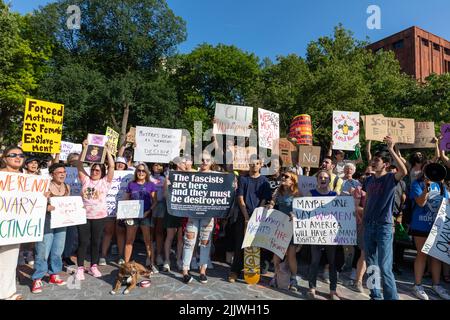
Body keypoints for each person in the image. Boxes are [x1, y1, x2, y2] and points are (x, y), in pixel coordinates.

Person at [363, 136, 407, 300]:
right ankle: (375, 295)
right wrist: (363, 222)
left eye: (376, 160)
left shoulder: (390, 178)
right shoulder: (368, 180)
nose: (373, 163)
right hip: (368, 225)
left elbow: (403, 171)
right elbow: (368, 201)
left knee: (385, 266)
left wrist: (391, 148)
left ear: (386, 164)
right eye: (373, 160)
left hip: (384, 227)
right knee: (371, 264)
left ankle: (391, 297)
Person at [409, 163, 450, 300]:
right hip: (420, 224)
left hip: (436, 226)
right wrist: (426, 188)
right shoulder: (417, 184)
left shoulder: (441, 186)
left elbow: (446, 204)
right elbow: (420, 203)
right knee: (422, 254)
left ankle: (436, 285)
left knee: (436, 256)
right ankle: (417, 285)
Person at [228, 156, 272, 283]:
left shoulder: (264, 181)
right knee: (240, 244)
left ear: (260, 165)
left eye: (256, 164)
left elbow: (264, 199)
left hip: (257, 217)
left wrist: (256, 215)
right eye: (252, 164)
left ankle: (252, 272)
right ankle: (235, 271)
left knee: (255, 245)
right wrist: (246, 216)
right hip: (243, 216)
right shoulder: (243, 179)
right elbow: (240, 197)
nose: (254, 166)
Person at [181, 153, 223, 284]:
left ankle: (202, 270)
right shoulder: (193, 174)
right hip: (193, 214)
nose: (204, 162)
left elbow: (227, 184)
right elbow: (179, 173)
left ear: (211, 162)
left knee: (205, 243)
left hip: (208, 215)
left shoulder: (216, 176)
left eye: (207, 160)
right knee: (189, 241)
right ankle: (185, 271)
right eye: (202, 160)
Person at [75, 143, 114, 280]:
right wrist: (84, 149)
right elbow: (79, 165)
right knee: (83, 242)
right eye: (93, 170)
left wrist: (108, 151)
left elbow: (112, 166)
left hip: (99, 217)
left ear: (102, 172)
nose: (94, 172)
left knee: (96, 242)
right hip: (84, 216)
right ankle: (80, 268)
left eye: (97, 170)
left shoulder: (105, 182)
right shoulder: (85, 180)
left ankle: (93, 266)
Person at [31, 163, 70, 293]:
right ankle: (37, 278)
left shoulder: (67, 187)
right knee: (43, 250)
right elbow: (35, 202)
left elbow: (69, 205)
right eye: (59, 172)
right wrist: (45, 207)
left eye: (64, 172)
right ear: (52, 174)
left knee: (58, 250)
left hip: (61, 222)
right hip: (47, 221)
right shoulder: (45, 186)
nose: (62, 174)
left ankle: (54, 274)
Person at [305, 170, 340, 300]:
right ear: (317, 180)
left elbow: (340, 213)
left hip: (331, 234)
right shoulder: (311, 194)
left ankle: (333, 291)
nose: (323, 179)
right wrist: (295, 215)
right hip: (316, 233)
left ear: (329, 180)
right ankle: (311, 289)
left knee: (332, 262)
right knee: (314, 262)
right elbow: (304, 210)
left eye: (325, 177)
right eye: (320, 177)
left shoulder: (334, 195)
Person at [266, 171, 301, 291]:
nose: (283, 178)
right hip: (279, 226)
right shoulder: (278, 191)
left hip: (291, 227)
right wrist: (270, 205)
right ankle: (276, 276)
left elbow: (302, 210)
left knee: (291, 255)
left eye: (286, 177)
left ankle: (294, 278)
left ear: (293, 180)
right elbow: (273, 202)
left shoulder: (297, 193)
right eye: (283, 176)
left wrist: (295, 214)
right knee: (277, 254)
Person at [121, 163, 158, 272]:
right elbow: (126, 199)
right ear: (136, 172)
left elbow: (155, 201)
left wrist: (148, 211)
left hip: (146, 215)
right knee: (129, 241)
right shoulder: (131, 184)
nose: (141, 172)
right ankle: (126, 265)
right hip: (132, 216)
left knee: (148, 240)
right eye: (139, 170)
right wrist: (124, 212)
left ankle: (152, 263)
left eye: (143, 171)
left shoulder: (150, 185)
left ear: (146, 173)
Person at [0, 146, 26, 300]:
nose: (18, 157)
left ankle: (7, 293)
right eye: (13, 155)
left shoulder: (29, 179)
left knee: (10, 259)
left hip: (13, 226)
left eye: (21, 155)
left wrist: (43, 196)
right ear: (4, 158)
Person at [99, 157, 128, 266]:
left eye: (122, 163)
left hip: (123, 209)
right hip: (109, 208)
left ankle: (121, 256)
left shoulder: (130, 175)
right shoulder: (108, 175)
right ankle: (103, 255)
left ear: (126, 165)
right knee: (108, 231)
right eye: (118, 163)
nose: (120, 165)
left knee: (121, 232)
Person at [162, 157, 186, 272]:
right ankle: (167, 260)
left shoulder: (188, 176)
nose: (184, 164)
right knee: (170, 236)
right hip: (171, 210)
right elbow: (165, 195)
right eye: (182, 163)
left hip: (184, 210)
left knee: (181, 238)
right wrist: (168, 185)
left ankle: (179, 260)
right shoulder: (169, 175)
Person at [150, 163, 166, 268]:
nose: (157, 167)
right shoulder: (148, 177)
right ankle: (150, 255)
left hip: (161, 205)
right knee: (150, 231)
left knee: (159, 231)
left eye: (160, 165)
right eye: (155, 165)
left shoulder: (165, 177)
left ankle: (159, 254)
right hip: (150, 205)